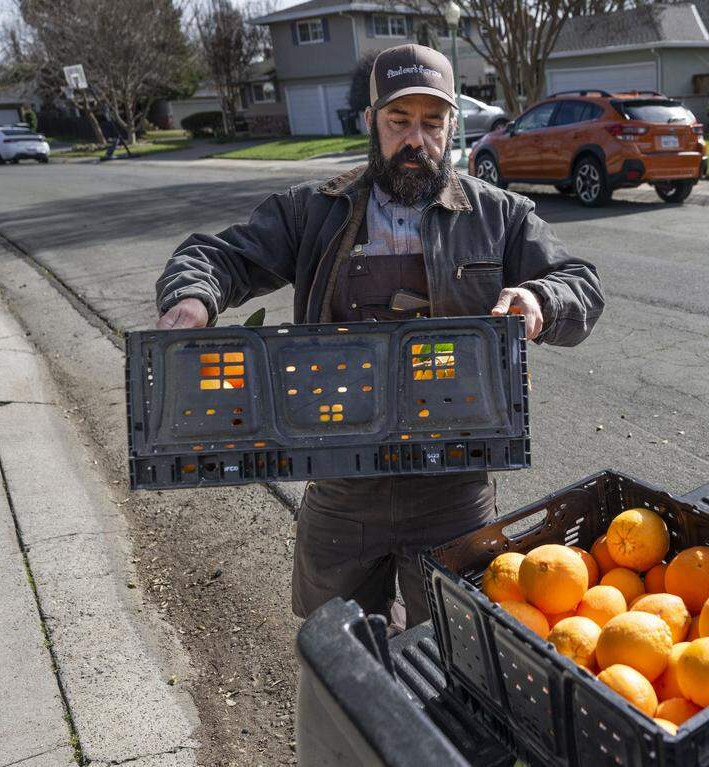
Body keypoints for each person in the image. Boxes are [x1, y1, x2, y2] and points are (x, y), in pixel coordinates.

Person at [154, 44, 604, 630]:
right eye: (399, 122)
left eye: (432, 123)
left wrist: (538, 299)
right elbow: (218, 256)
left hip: (456, 489)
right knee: (339, 652)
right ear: (371, 123)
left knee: (455, 653)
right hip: (342, 485)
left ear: (451, 128)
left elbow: (581, 283)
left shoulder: (500, 216)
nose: (416, 140)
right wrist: (192, 299)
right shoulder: (312, 213)